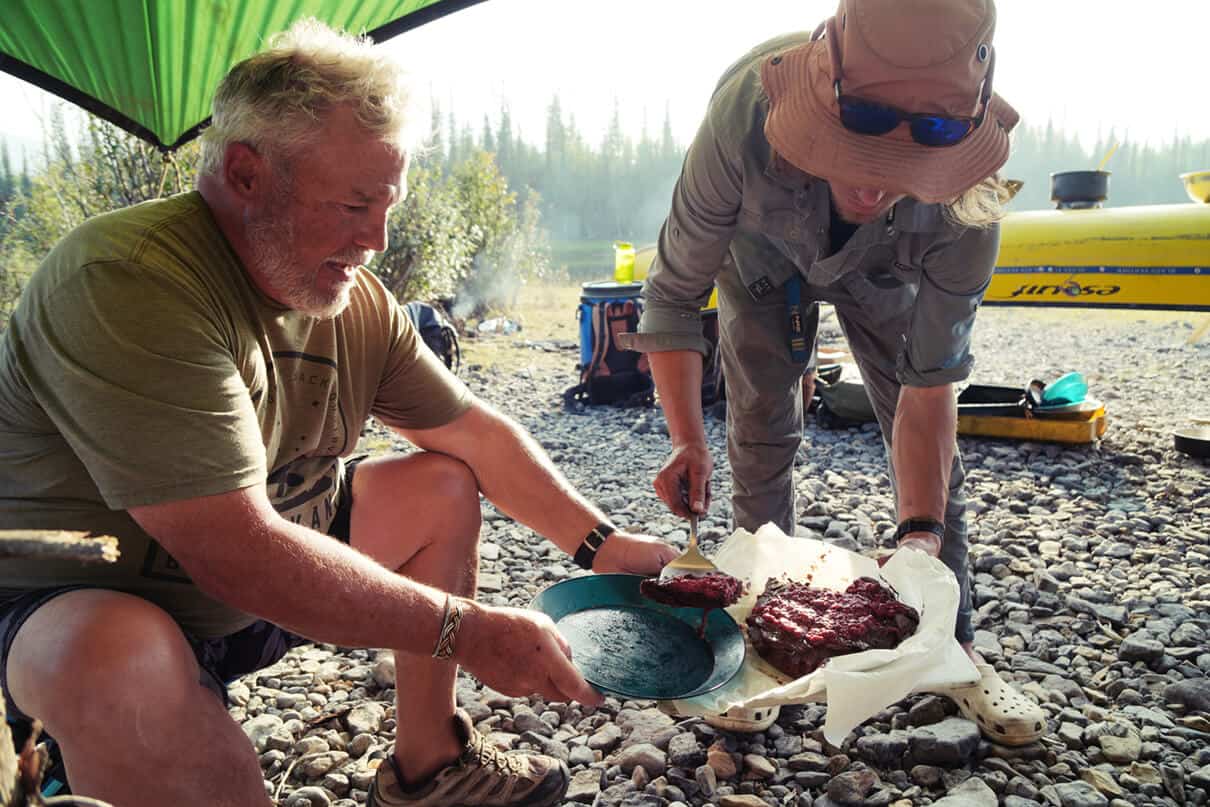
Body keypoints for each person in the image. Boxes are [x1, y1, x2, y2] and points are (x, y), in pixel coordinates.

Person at [0, 20, 677, 807]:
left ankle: (431, 765)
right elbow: (235, 550)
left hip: (260, 584)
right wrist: (468, 627)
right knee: (116, 657)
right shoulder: (128, 280)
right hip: (91, 602)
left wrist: (603, 545)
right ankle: (76, 763)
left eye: (388, 204)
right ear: (246, 174)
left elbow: (475, 435)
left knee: (442, 483)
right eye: (355, 204)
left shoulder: (353, 303)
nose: (377, 239)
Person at [622, 0, 1046, 745]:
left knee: (935, 485)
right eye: (861, 142)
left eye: (914, 156)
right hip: (759, 266)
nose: (874, 184)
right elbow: (673, 293)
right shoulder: (742, 119)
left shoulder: (967, 203)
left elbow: (930, 381)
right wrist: (686, 435)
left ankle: (956, 648)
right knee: (759, 435)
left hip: (891, 277)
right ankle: (753, 658)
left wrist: (917, 534)